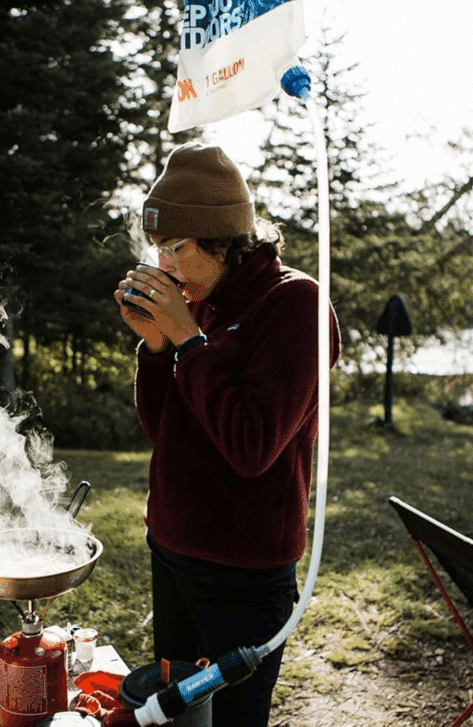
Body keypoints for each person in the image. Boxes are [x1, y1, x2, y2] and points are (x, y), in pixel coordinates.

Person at [113, 142, 341, 727]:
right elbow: (164, 430)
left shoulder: (296, 304)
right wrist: (158, 347)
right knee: (178, 716)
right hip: (171, 551)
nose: (164, 264)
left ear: (221, 239)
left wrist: (188, 340)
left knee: (234, 720)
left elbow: (252, 445)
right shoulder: (201, 299)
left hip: (240, 573)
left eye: (176, 247)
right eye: (158, 248)